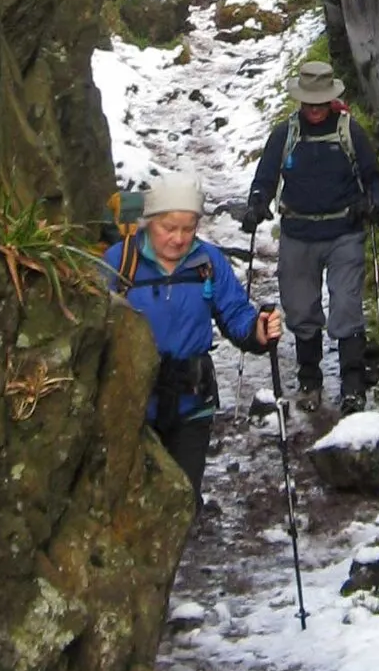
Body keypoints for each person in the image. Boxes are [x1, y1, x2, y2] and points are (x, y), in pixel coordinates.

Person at [109, 171, 280, 499]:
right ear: (149, 222)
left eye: (188, 229)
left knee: (183, 500)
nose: (179, 238)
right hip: (132, 405)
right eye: (169, 228)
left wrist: (257, 329)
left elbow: (235, 313)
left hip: (192, 403)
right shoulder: (120, 262)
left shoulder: (207, 261)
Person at [239, 61, 379, 412]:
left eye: (322, 102)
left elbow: (374, 177)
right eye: (310, 103)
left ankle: (352, 386)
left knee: (347, 306)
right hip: (298, 233)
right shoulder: (285, 134)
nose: (316, 109)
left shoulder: (350, 132)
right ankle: (310, 380)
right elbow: (264, 180)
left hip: (344, 232)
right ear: (301, 101)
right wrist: (257, 205)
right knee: (301, 308)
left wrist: (376, 205)